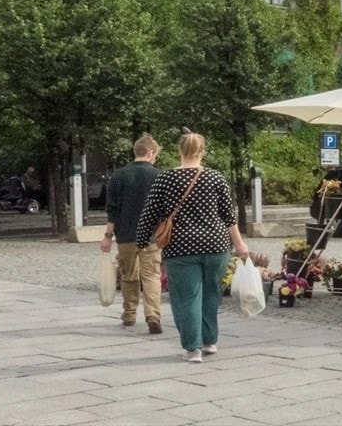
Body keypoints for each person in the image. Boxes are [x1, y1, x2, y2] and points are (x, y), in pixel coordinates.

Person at [134, 131, 250, 364]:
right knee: (210, 293)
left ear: (179, 151)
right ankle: (209, 341)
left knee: (186, 297)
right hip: (216, 246)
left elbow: (149, 215)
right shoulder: (215, 178)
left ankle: (192, 348)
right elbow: (229, 216)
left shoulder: (165, 179)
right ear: (202, 152)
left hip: (180, 248)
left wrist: (141, 242)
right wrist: (239, 244)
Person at [101, 134, 164, 334]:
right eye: (156, 154)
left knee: (128, 275)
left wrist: (107, 236)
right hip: (151, 236)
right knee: (152, 276)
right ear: (151, 152)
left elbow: (112, 209)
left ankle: (129, 314)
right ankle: (153, 315)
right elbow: (164, 209)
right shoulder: (158, 175)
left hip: (125, 235)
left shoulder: (118, 175)